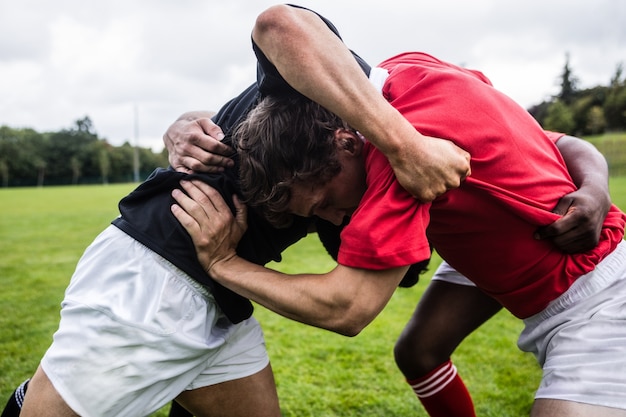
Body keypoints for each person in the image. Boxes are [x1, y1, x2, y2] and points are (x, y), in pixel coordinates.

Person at [169, 6, 626, 417]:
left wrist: (224, 264)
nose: (333, 220)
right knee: (418, 352)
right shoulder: (408, 69)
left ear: (346, 142)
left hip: (596, 292)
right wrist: (596, 188)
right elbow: (558, 142)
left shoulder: (400, 164)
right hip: (524, 239)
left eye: (324, 203)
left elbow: (347, 309)